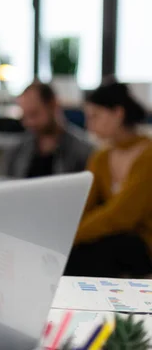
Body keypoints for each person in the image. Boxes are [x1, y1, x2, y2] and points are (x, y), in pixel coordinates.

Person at [65, 82, 152, 278]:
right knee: (82, 251)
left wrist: (72, 235)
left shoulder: (148, 155)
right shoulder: (101, 157)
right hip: (112, 238)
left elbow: (122, 215)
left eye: (95, 116)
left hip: (143, 242)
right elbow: (84, 204)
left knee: (104, 249)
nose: (89, 125)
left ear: (118, 113)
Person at [0, 81, 93, 178]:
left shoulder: (83, 152)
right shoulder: (16, 152)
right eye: (24, 116)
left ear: (53, 105)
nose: (28, 122)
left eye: (34, 114)